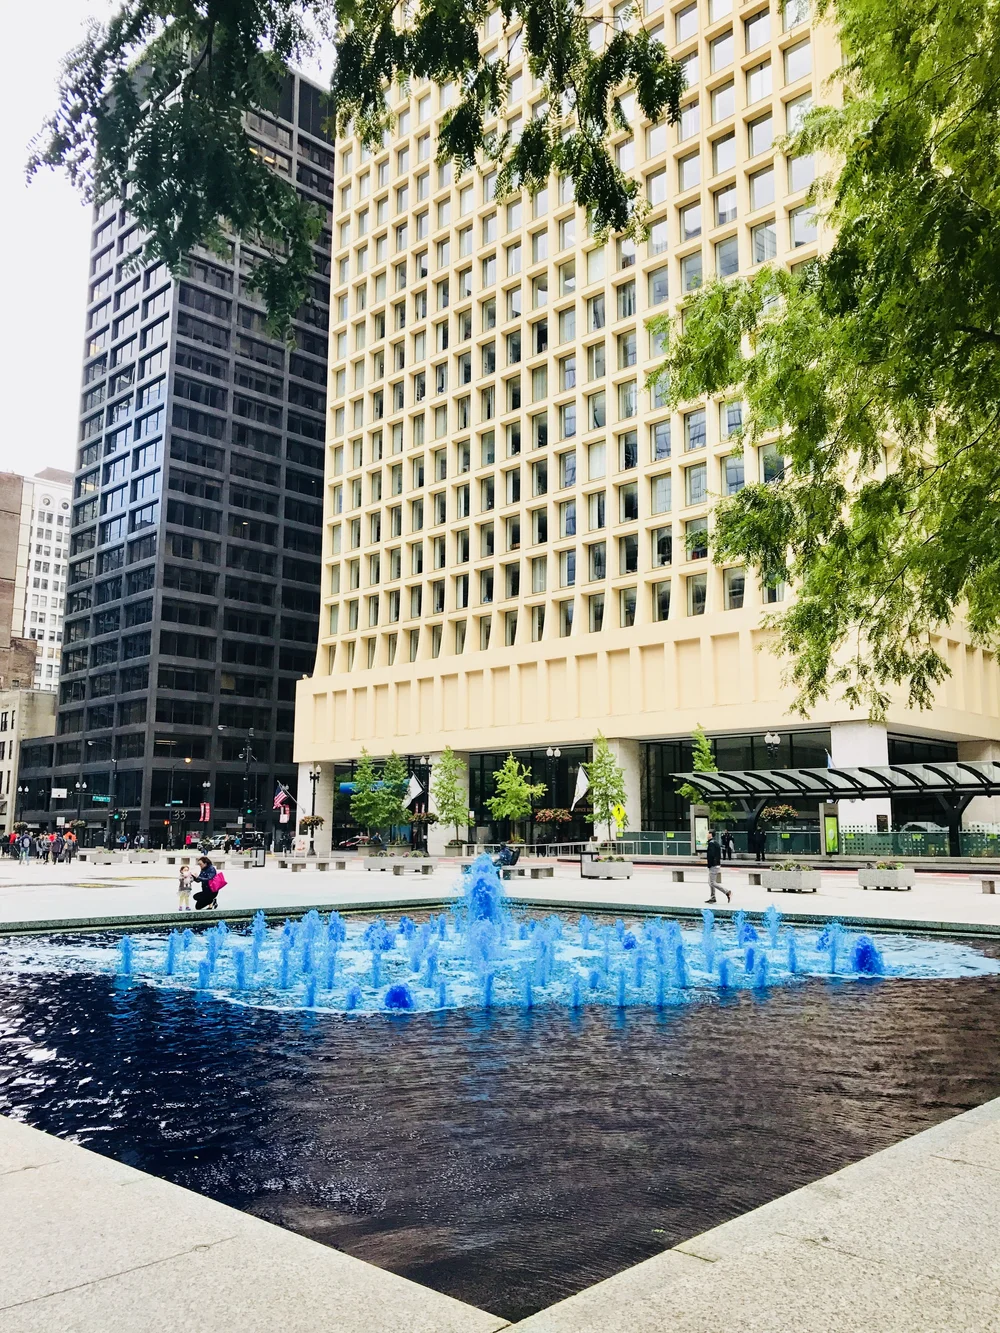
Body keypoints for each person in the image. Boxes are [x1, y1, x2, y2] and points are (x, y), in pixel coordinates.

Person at [705, 829, 731, 905]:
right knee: (710, 882)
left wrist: (710, 864)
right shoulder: (714, 842)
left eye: (708, 833)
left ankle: (727, 892)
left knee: (712, 882)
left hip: (713, 865)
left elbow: (711, 855)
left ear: (710, 834)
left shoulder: (711, 843)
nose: (707, 835)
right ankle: (713, 897)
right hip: (715, 864)